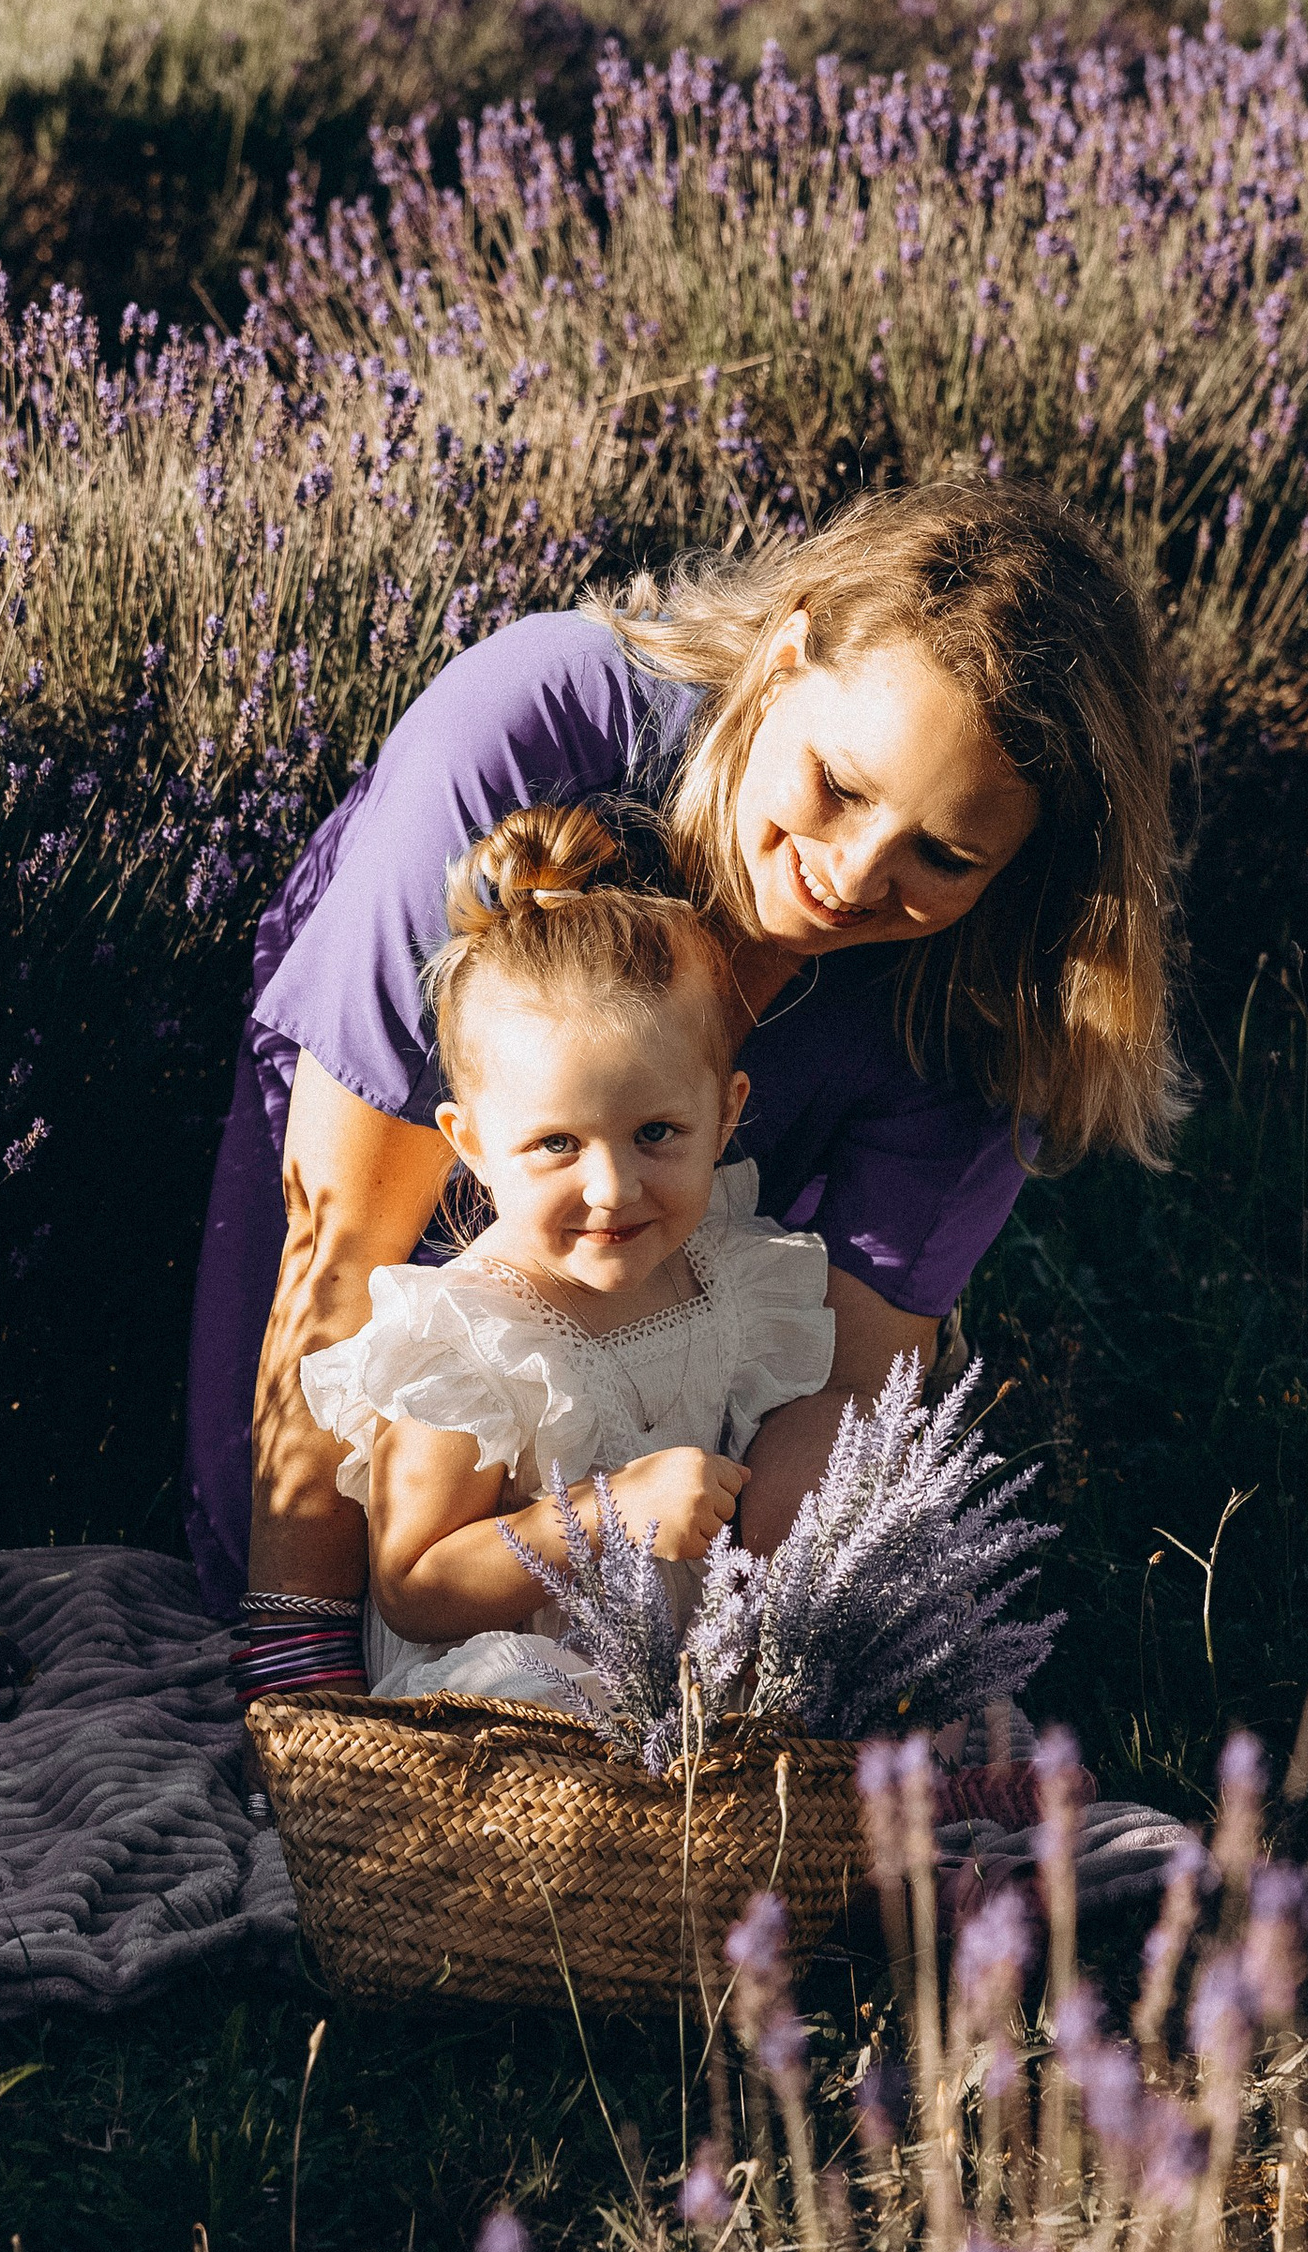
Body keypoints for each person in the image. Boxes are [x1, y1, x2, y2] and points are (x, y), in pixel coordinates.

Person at [190, 473, 1183, 1700]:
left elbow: (848, 1380)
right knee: (267, 1561)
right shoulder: (533, 737)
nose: (852, 876)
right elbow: (343, 1246)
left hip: (680, 1389)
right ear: (781, 659)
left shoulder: (990, 988)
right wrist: (300, 1663)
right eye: (840, 784)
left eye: (943, 854)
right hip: (401, 1311)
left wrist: (744, 1681)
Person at [298, 804, 838, 1713]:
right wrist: (608, 1513)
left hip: (671, 1667)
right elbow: (414, 1583)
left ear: (727, 1113)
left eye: (657, 1133)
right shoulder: (472, 1338)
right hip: (503, 1697)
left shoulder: (724, 1277)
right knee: (546, 1691)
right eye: (556, 1144)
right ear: (469, 1144)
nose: (613, 1188)